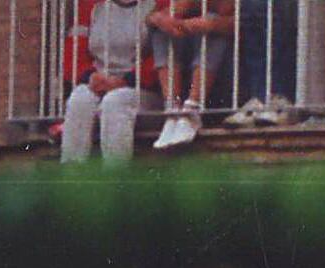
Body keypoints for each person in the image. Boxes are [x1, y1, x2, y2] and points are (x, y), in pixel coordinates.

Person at [58, 0, 152, 162]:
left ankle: (115, 180)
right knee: (79, 97)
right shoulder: (89, 5)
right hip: (98, 81)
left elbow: (163, 57)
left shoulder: (157, 4)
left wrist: (127, 80)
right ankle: (71, 176)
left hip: (142, 88)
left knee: (116, 101)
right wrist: (90, 76)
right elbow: (72, 53)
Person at [147, 1, 236, 146]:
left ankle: (192, 110)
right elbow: (152, 16)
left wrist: (209, 22)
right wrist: (158, 18)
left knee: (211, 25)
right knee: (161, 28)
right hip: (185, 71)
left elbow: (234, 16)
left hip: (225, 80)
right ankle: (173, 111)